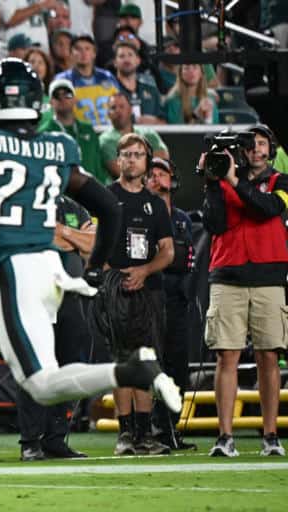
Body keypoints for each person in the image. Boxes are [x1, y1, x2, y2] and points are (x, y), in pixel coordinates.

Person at [0, 58, 180, 496]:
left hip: (15, 272)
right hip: (46, 267)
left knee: (42, 383)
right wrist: (93, 267)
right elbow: (108, 208)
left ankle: (134, 370)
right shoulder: (56, 147)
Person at [201, 124, 287, 457]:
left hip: (268, 276)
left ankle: (270, 435)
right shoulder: (221, 180)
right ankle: (225, 436)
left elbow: (268, 209)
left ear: (271, 149)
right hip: (227, 274)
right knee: (226, 355)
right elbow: (215, 224)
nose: (254, 149)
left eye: (261, 143)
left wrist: (234, 181)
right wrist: (212, 181)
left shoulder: (282, 182)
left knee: (269, 355)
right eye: (248, 144)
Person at [106, 133, 175, 457]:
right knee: (121, 360)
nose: (132, 159)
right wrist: (117, 276)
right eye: (126, 154)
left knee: (146, 361)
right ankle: (124, 433)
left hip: (149, 291)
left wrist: (144, 271)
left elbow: (168, 251)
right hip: (116, 290)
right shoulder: (105, 197)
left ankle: (144, 433)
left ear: (146, 161)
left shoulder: (155, 204)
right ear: (118, 159)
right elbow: (92, 244)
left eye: (137, 154)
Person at [17, 194, 94, 461]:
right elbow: (33, 240)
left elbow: (92, 245)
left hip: (70, 299)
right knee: (35, 366)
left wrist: (62, 232)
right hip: (36, 295)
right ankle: (30, 440)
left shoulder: (75, 205)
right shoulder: (26, 199)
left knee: (69, 366)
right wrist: (71, 239)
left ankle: (55, 438)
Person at [145, 157, 197, 451]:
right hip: (148, 296)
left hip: (175, 299)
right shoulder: (139, 213)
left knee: (177, 366)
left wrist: (162, 255)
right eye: (151, 174)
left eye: (162, 172)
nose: (156, 178)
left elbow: (181, 259)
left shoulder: (182, 219)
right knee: (152, 363)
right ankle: (146, 427)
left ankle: (169, 429)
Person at [38, 78, 104, 183]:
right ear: (50, 102)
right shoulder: (44, 133)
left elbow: (98, 165)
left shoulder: (88, 129)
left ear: (75, 99)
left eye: (67, 94)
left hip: (92, 193)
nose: (62, 98)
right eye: (57, 95)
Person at [99, 92, 169, 180]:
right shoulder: (105, 140)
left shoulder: (148, 133)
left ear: (131, 109)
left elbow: (162, 161)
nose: (118, 110)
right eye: (113, 108)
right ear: (108, 114)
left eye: (122, 106)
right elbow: (121, 172)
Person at [54, 34, 119, 126]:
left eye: (87, 48)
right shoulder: (63, 80)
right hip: (79, 134)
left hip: (107, 132)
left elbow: (120, 105)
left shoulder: (107, 77)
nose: (83, 53)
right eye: (78, 49)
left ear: (94, 53)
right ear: (71, 53)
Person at [112, 42, 165, 124]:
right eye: (121, 56)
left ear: (138, 61)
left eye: (130, 55)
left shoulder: (151, 90)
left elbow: (164, 122)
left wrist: (154, 121)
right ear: (115, 62)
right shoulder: (109, 91)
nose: (126, 60)